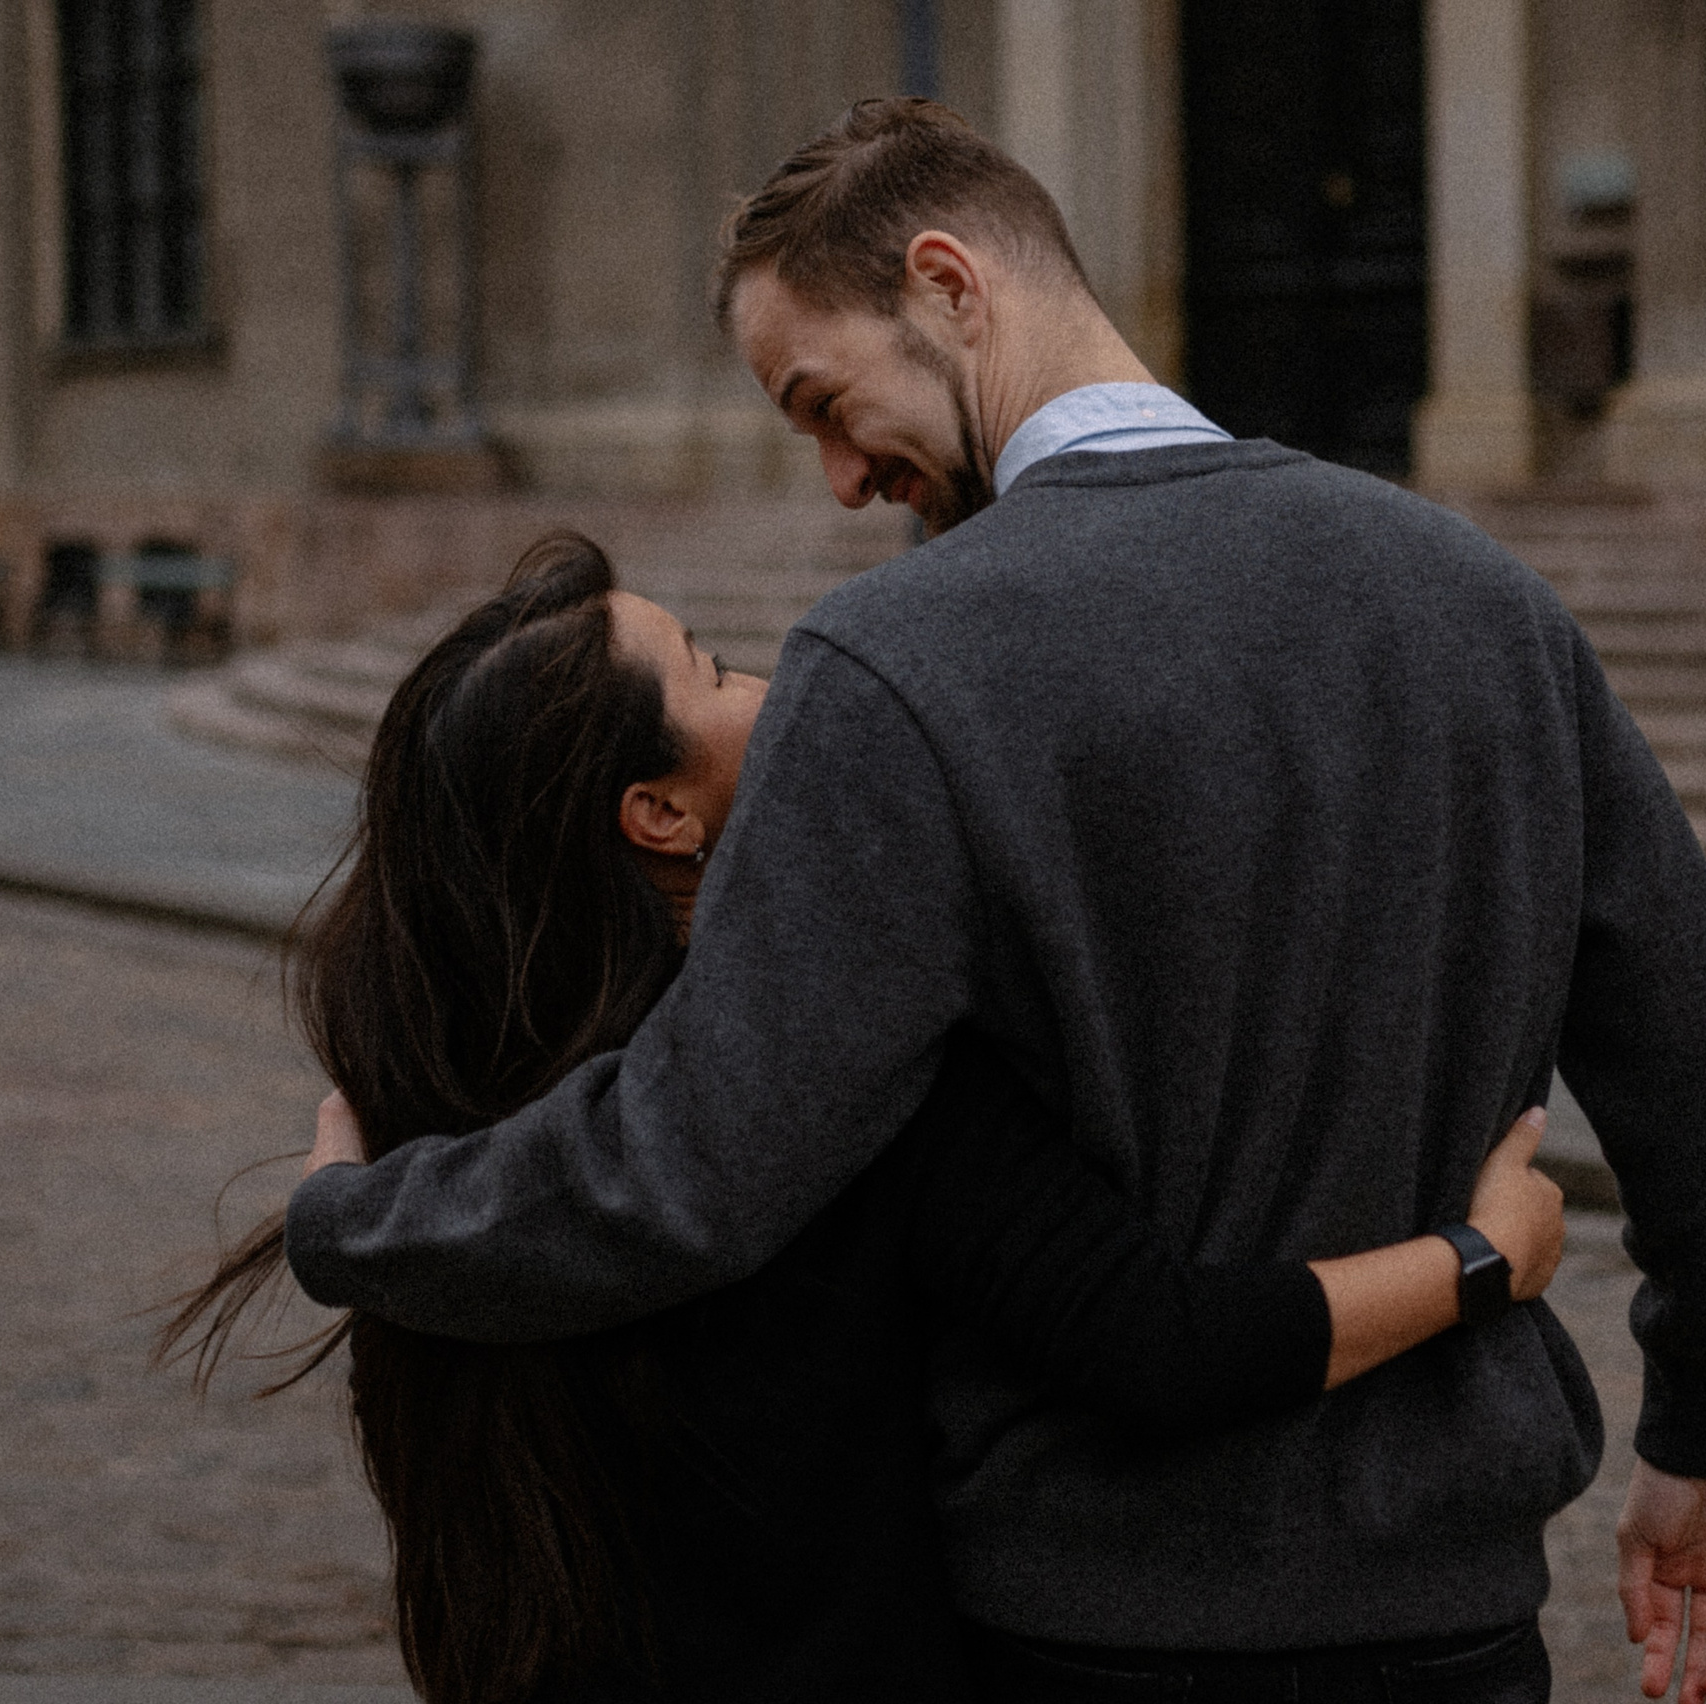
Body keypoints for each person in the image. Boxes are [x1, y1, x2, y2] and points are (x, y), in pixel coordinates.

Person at [288, 99, 1706, 1704]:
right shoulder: (1485, 604)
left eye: (825, 401)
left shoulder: (893, 672)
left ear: (950, 284)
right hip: (1453, 1625)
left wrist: (360, 1220)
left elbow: (693, 1164)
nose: (842, 483)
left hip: (1088, 1633)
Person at [165, 535, 1571, 1703]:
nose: (769, 682)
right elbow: (1163, 1347)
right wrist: (1483, 1256)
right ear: (657, 813)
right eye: (714, 669)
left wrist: (344, 1212)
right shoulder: (856, 1079)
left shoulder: (437, 1155)